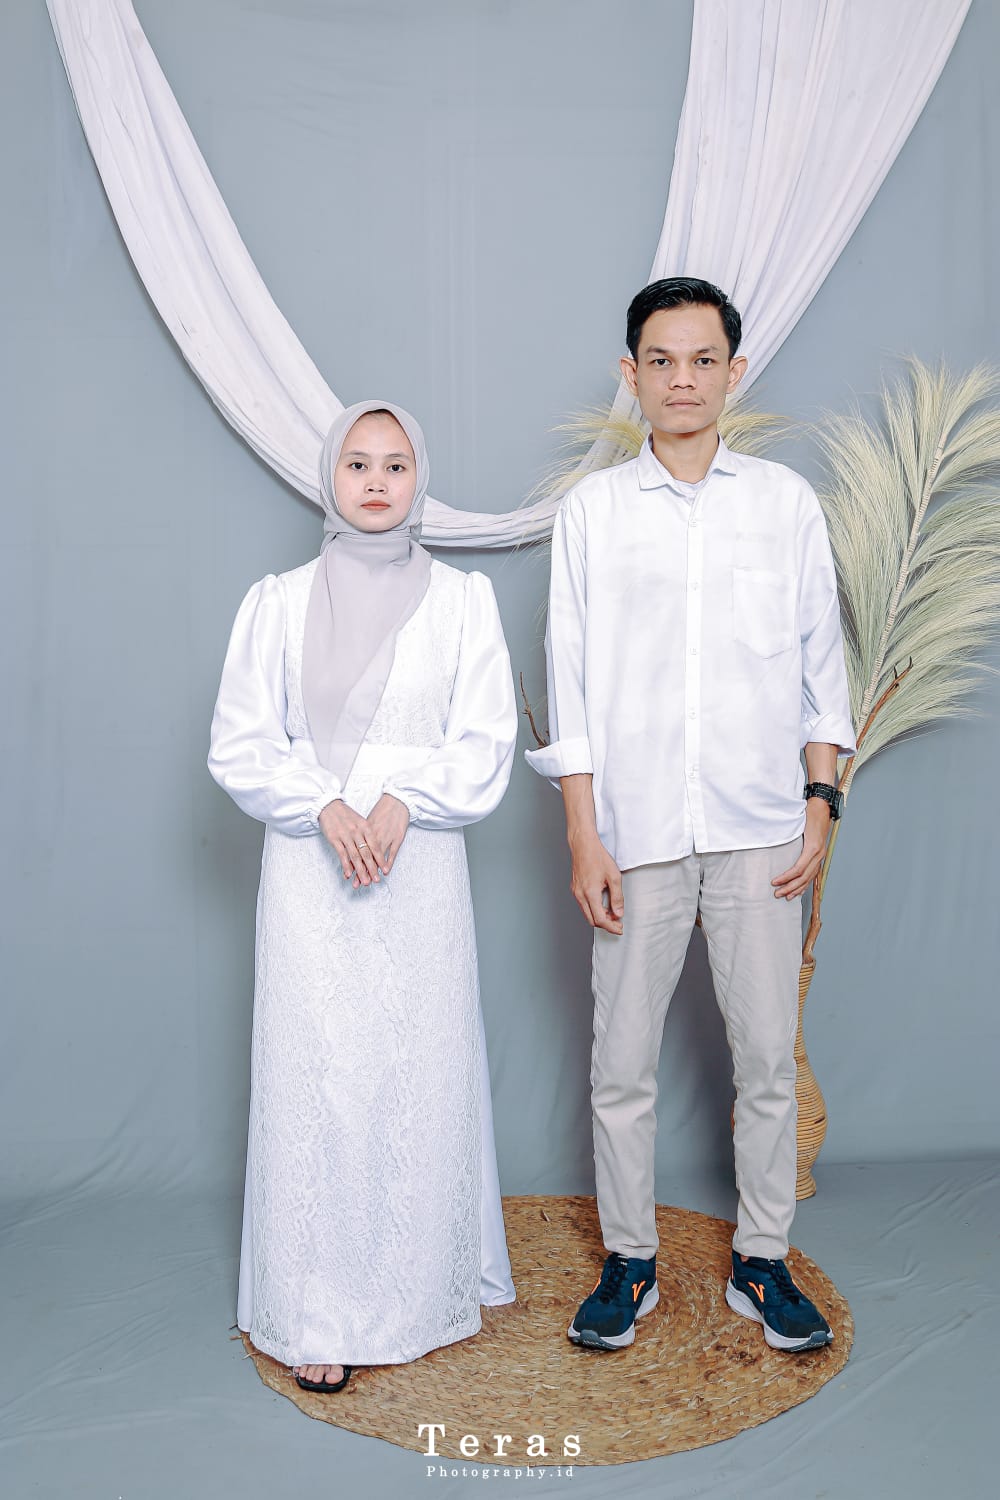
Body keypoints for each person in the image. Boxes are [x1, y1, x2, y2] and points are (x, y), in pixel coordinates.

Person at [526, 277, 857, 1355]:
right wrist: (583, 832)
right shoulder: (592, 513)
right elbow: (571, 683)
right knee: (620, 1064)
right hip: (633, 834)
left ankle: (762, 1260)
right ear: (630, 375)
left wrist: (820, 799)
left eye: (702, 360)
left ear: (733, 372)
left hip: (762, 828)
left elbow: (819, 663)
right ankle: (630, 1262)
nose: (682, 380)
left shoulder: (785, 504)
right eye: (661, 361)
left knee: (767, 1060)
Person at [209, 400, 517, 1393]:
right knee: (320, 1074)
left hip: (418, 866)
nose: (376, 481)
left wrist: (403, 801)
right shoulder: (276, 602)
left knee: (417, 1068)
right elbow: (239, 743)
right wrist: (322, 806)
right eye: (357, 463)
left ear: (418, 477)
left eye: (394, 464)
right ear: (329, 477)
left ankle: (420, 1290)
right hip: (312, 868)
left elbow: (484, 739)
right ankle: (316, 1310)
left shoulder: (463, 600)